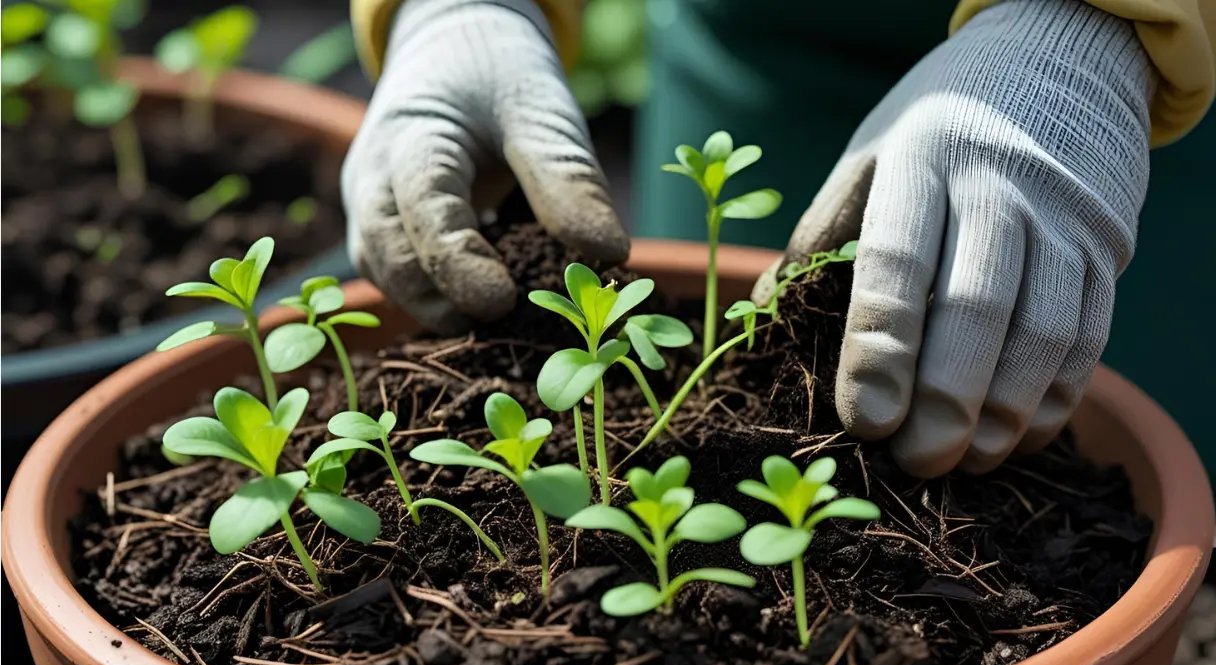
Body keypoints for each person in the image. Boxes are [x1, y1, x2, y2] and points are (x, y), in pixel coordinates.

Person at [343, 0, 1215, 477]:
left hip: (1136, 96)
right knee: (754, 359)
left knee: (1075, 417)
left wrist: (1097, 28)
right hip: (760, 52)